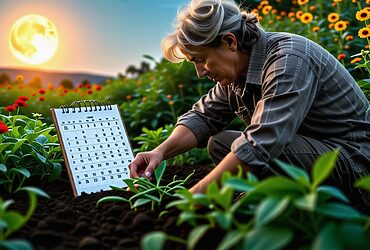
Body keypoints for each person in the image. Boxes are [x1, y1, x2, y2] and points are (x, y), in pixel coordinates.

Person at [129, 0, 370, 210]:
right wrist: (159, 152)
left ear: (230, 41)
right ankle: (271, 199)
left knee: (252, 148)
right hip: (312, 154)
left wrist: (194, 198)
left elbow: (264, 142)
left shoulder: (288, 60)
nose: (200, 72)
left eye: (201, 60)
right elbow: (202, 117)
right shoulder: (237, 72)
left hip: (355, 166)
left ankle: (295, 208)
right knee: (221, 143)